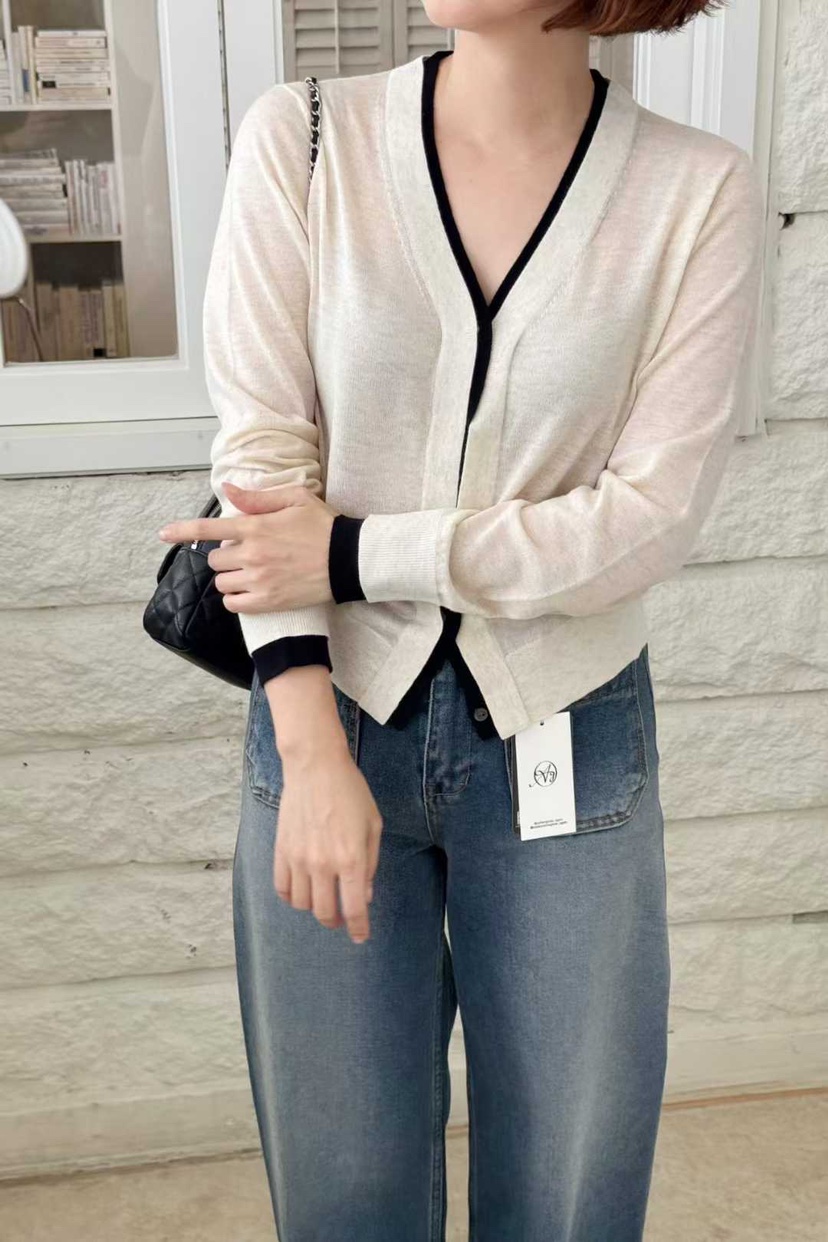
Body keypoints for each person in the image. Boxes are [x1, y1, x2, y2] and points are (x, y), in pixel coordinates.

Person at [158, 2, 765, 1238]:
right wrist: (311, 754)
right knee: (343, 1188)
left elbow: (647, 519)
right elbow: (262, 462)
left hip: (568, 725)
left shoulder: (696, 192)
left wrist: (355, 550)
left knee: (566, 1189)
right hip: (327, 706)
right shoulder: (307, 139)